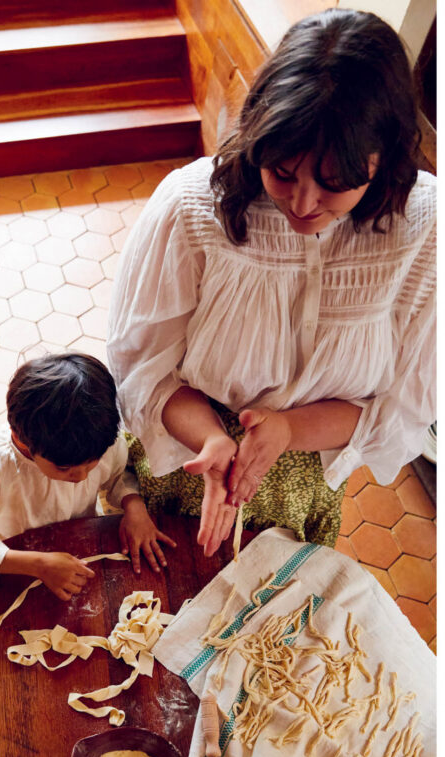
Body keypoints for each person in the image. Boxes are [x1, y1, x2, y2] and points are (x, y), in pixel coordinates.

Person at [107, 8, 435, 556]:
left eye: (335, 184)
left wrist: (285, 430)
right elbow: (143, 368)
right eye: (281, 172)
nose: (303, 205)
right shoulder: (191, 207)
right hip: (188, 458)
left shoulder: (425, 229)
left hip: (306, 481)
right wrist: (214, 438)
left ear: (383, 159)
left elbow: (405, 403)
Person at [0, 352, 175, 600]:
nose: (82, 477)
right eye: (64, 469)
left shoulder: (99, 441)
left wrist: (134, 506)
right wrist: (36, 564)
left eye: (91, 465)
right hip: (15, 566)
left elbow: (118, 474)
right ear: (21, 439)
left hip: (76, 546)